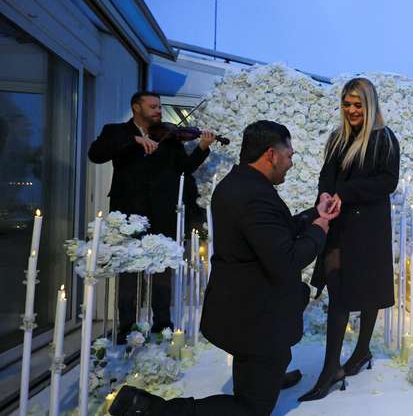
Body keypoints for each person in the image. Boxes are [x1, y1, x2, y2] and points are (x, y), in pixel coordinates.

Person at [110, 120, 341, 415]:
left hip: (239, 306)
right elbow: (288, 258)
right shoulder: (254, 196)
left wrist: (313, 214)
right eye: (290, 155)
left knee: (270, 361)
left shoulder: (239, 183)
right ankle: (148, 408)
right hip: (254, 318)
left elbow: (272, 231)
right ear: (271, 154)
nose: (291, 163)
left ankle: (269, 377)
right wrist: (321, 227)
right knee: (252, 408)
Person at [300, 78, 400, 402]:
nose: (352, 110)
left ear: (369, 105)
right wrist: (325, 196)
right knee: (337, 288)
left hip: (369, 227)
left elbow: (387, 182)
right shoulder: (337, 139)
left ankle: (360, 353)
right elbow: (326, 176)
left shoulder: (385, 139)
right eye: (347, 104)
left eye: (358, 104)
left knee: (368, 290)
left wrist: (345, 192)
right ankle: (332, 367)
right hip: (339, 225)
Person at [88, 91, 216, 339]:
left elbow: (184, 169)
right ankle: (127, 325)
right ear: (136, 107)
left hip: (162, 213)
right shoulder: (115, 131)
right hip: (127, 214)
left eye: (159, 106)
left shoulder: (169, 137)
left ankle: (162, 323)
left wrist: (202, 147)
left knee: (161, 270)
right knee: (127, 272)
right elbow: (96, 155)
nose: (159, 110)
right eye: (153, 106)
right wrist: (133, 141)